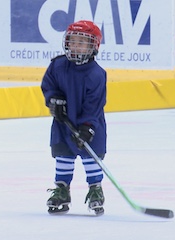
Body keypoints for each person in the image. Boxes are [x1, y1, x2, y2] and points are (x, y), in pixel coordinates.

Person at [41, 20, 107, 215]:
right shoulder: (58, 65)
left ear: (93, 46)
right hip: (63, 122)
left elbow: (94, 104)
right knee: (63, 154)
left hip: (90, 122)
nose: (76, 45)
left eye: (82, 42)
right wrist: (54, 100)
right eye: (73, 41)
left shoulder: (97, 74)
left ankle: (95, 189)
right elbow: (48, 85)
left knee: (91, 155)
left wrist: (87, 127)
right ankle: (62, 189)